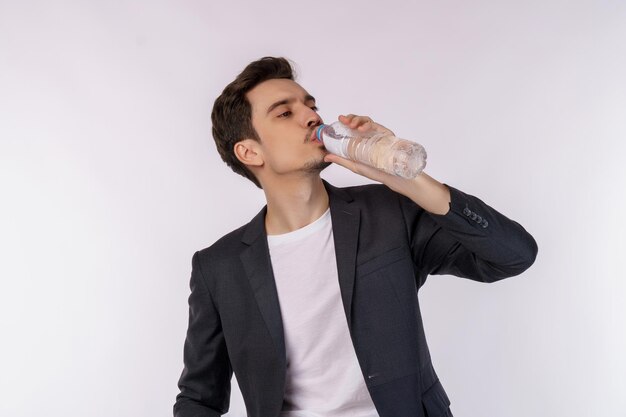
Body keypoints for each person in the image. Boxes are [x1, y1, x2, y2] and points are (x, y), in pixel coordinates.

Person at [173, 56, 538, 417]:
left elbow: (512, 254)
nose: (312, 117)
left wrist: (408, 181)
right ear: (249, 151)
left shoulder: (389, 212)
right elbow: (198, 398)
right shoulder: (218, 267)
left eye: (311, 106)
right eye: (285, 113)